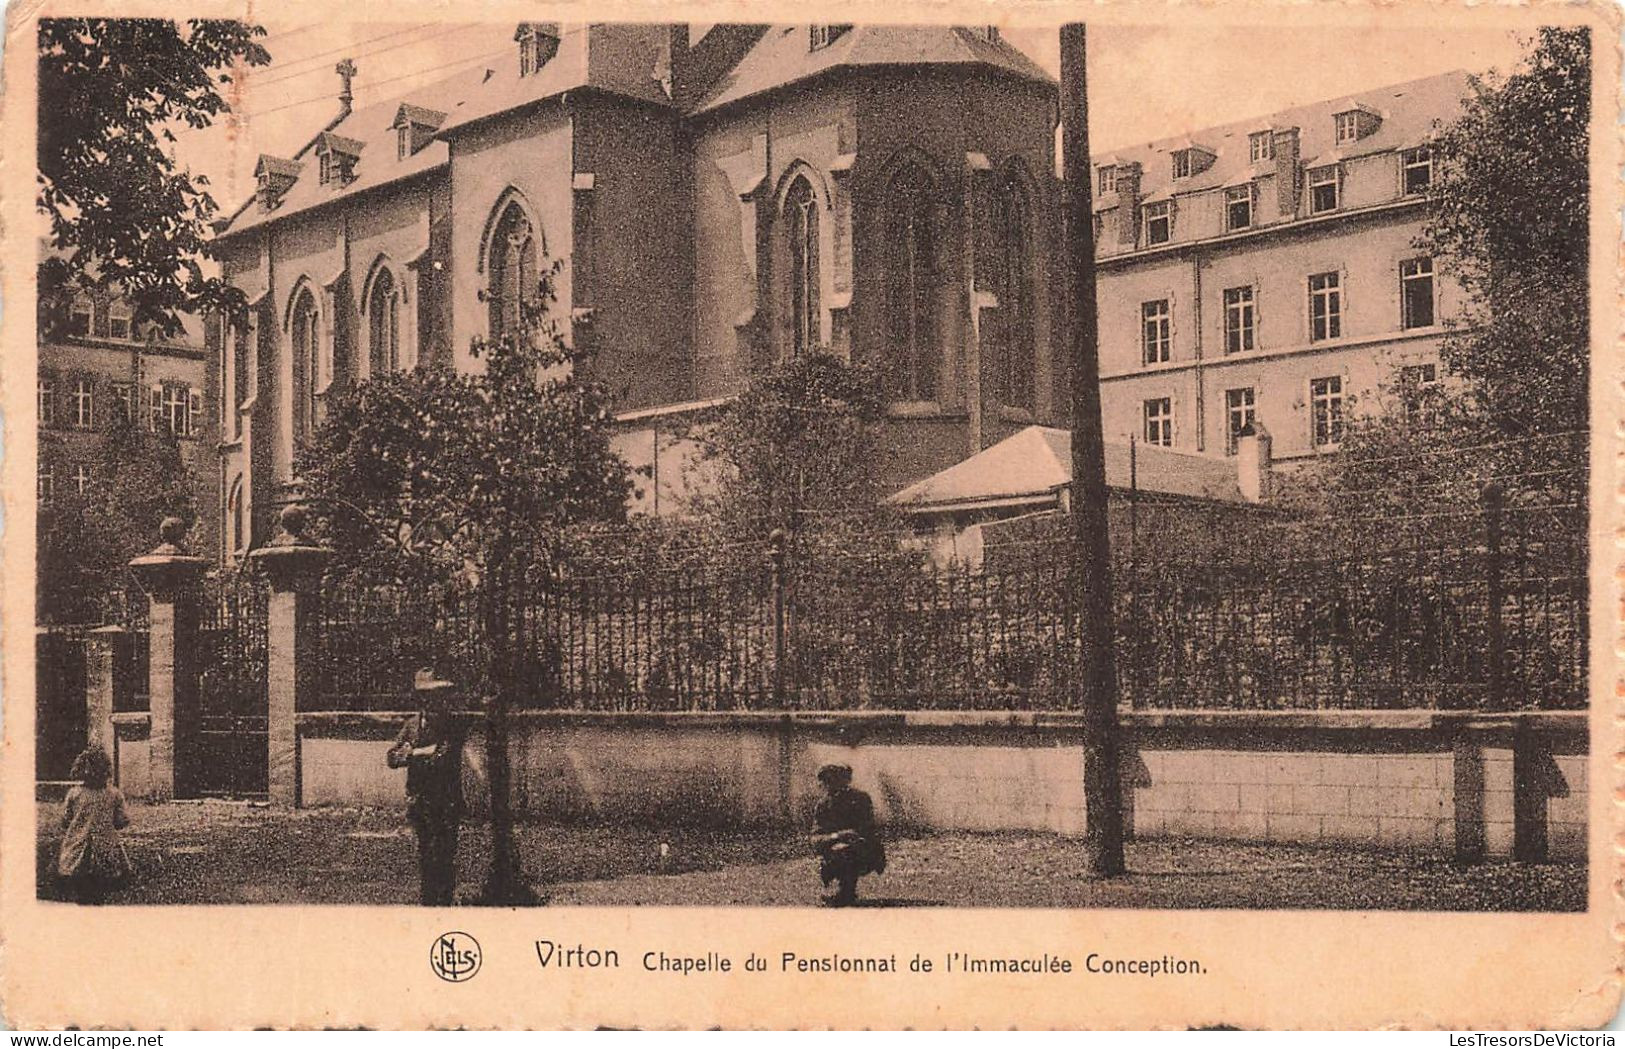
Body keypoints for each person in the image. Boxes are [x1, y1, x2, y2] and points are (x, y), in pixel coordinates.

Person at [388, 686, 466, 906]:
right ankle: (428, 903)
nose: (431, 702)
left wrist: (412, 753)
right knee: (425, 853)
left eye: (436, 697)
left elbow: (443, 757)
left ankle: (444, 903)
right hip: (419, 800)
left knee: (444, 853)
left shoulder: (451, 725)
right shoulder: (411, 725)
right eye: (426, 697)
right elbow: (392, 757)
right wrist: (410, 753)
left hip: (445, 801)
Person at [57, 746, 131, 905]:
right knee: (100, 892)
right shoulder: (114, 794)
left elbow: (65, 821)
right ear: (106, 769)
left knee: (81, 892)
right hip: (104, 848)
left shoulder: (74, 794)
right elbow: (122, 821)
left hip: (77, 849)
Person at [810, 762, 885, 907]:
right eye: (826, 781)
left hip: (865, 850)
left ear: (846, 780)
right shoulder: (823, 805)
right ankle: (840, 887)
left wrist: (849, 838)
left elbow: (867, 830)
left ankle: (847, 892)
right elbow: (815, 837)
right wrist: (836, 837)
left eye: (835, 780)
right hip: (836, 847)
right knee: (836, 851)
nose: (829, 785)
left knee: (844, 852)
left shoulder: (861, 799)